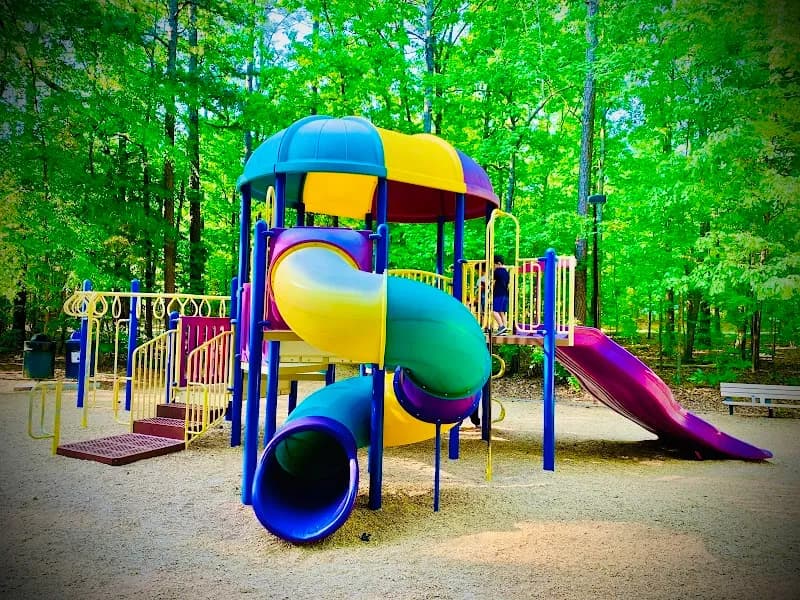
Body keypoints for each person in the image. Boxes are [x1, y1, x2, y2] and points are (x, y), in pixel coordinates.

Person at [492, 254, 510, 335]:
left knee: (494, 311)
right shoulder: (506, 272)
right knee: (501, 312)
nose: (494, 266)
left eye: (494, 264)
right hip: (505, 294)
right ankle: (505, 328)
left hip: (498, 294)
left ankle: (501, 326)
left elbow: (493, 281)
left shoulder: (497, 271)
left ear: (498, 263)